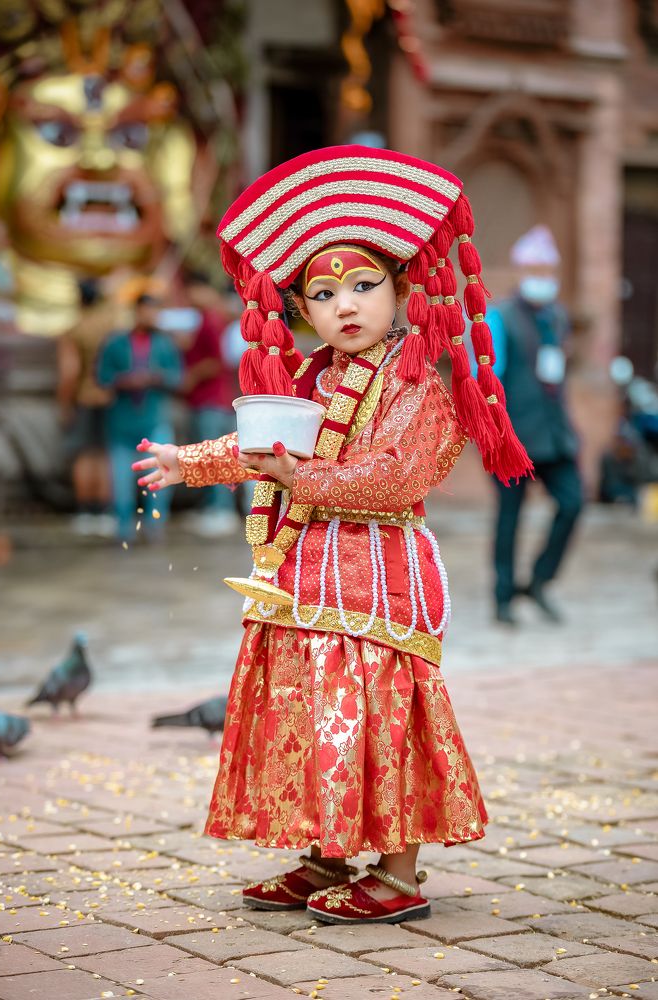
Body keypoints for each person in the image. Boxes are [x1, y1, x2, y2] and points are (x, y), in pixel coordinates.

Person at [132, 145, 532, 924]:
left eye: (362, 285)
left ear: (401, 290)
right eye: (323, 293)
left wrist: (300, 477)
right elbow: (266, 448)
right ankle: (327, 854)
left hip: (380, 585)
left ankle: (400, 875)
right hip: (302, 581)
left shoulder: (417, 382)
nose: (345, 305)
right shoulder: (312, 379)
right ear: (301, 311)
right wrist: (190, 462)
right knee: (315, 715)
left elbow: (397, 477)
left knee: (381, 718)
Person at [486, 226, 584, 626]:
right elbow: (486, 377)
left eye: (547, 270)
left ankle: (540, 581)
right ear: (521, 270)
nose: (542, 276)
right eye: (535, 269)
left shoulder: (557, 316)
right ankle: (503, 596)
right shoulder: (500, 317)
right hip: (513, 438)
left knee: (573, 503)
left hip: (555, 434)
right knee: (510, 516)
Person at [98, 293, 182, 542]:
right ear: (136, 312)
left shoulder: (165, 344)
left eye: (154, 312)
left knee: (160, 476)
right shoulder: (116, 343)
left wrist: (156, 377)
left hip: (154, 420)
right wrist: (124, 381)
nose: (150, 316)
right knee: (121, 482)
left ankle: (155, 525)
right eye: (146, 311)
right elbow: (102, 377)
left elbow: (178, 378)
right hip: (121, 423)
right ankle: (123, 528)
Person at [179, 273, 239, 537]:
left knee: (214, 457)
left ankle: (221, 510)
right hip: (213, 399)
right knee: (213, 456)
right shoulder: (211, 319)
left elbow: (216, 361)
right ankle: (213, 508)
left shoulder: (211, 320)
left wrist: (192, 375)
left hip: (211, 400)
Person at [57, 279, 118, 537]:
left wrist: (64, 403)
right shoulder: (111, 327)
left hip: (84, 397)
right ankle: (104, 511)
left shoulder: (75, 330)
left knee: (84, 454)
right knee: (105, 454)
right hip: (110, 397)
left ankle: (86, 510)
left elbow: (69, 372)